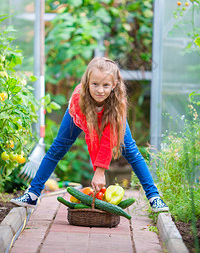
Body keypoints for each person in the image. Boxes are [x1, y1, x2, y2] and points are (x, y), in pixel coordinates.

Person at [11, 57, 169, 212]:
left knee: (131, 151)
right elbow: (92, 136)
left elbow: (107, 140)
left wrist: (100, 172)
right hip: (81, 115)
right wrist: (98, 171)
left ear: (114, 85)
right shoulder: (80, 98)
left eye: (106, 85)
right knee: (57, 149)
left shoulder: (118, 103)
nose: (100, 90)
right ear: (87, 83)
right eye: (95, 84)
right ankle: (32, 194)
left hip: (111, 118)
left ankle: (154, 197)